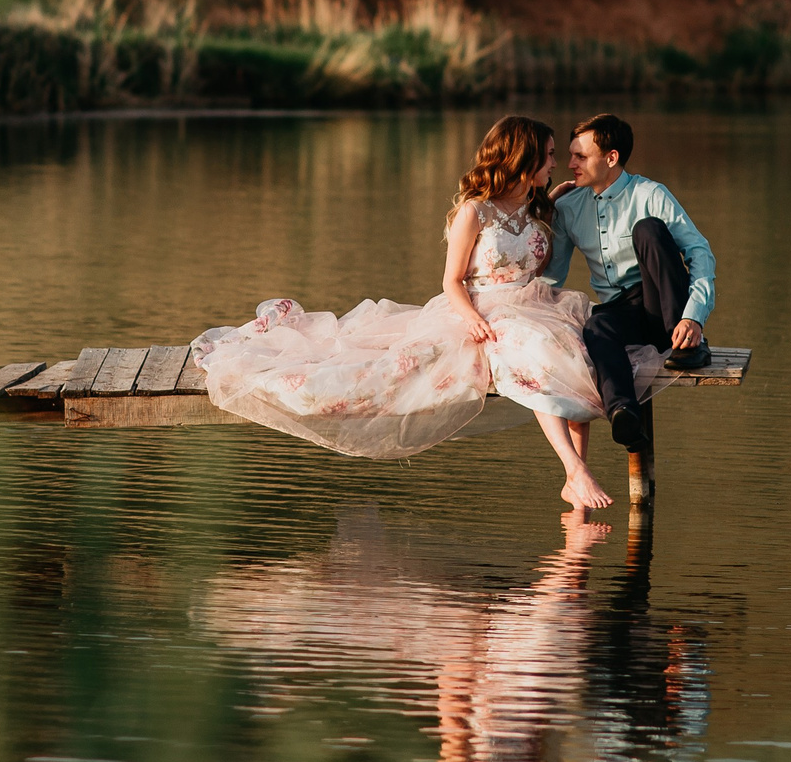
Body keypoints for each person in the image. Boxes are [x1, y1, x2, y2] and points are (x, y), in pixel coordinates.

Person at [193, 115, 655, 509]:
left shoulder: (541, 206)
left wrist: (557, 202)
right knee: (529, 351)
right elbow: (451, 280)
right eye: (550, 154)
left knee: (577, 354)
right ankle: (573, 471)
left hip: (536, 303)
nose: (557, 163)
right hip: (481, 307)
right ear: (525, 157)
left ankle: (576, 478)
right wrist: (472, 318)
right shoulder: (474, 212)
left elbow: (548, 241)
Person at [544, 113, 717, 454]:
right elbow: (553, 277)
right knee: (596, 327)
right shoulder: (567, 207)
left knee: (648, 229)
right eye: (570, 155)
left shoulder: (650, 193)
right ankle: (623, 413)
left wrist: (693, 315)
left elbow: (701, 254)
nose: (570, 164)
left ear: (611, 158)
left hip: (666, 302)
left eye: (581, 156)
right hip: (621, 310)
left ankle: (687, 345)